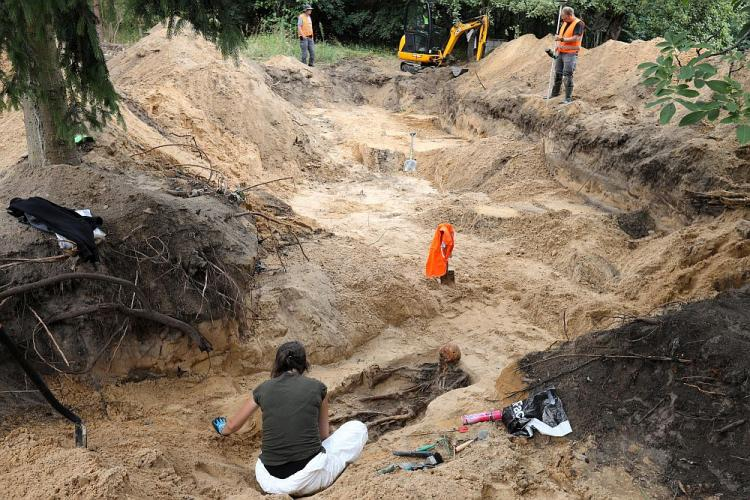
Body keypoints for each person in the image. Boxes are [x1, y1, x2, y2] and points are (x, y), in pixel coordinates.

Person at [211, 341, 368, 496]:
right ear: (304, 364)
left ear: (278, 364)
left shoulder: (263, 389)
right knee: (357, 428)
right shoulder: (318, 388)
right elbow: (323, 436)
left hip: (270, 482)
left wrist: (222, 428)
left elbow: (231, 427)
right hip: (310, 480)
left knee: (273, 444)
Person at [550, 6, 585, 104]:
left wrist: (561, 40)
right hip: (560, 52)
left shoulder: (579, 23)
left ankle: (568, 98)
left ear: (570, 15)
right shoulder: (565, 23)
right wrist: (558, 44)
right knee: (558, 73)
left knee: (567, 75)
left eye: (564, 17)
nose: (562, 19)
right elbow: (562, 36)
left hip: (571, 53)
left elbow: (576, 38)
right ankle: (555, 93)